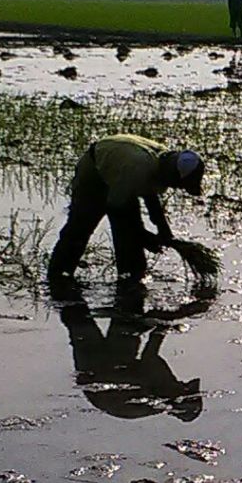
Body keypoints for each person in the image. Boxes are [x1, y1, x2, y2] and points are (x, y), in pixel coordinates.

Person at [47, 134, 205, 283]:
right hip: (95, 173)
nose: (177, 187)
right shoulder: (138, 167)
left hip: (121, 173)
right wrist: (145, 237)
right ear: (174, 175)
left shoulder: (162, 161)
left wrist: (164, 231)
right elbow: (115, 206)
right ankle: (58, 277)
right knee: (80, 228)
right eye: (179, 184)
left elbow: (150, 194)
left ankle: (130, 279)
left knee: (130, 241)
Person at [59, 283, 210, 421]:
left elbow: (150, 354)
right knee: (126, 312)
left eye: (185, 387)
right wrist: (161, 324)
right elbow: (151, 353)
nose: (182, 382)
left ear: (181, 395)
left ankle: (62, 284)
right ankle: (127, 287)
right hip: (110, 370)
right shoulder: (160, 398)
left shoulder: (161, 391)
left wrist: (165, 324)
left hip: (97, 372)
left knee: (79, 317)